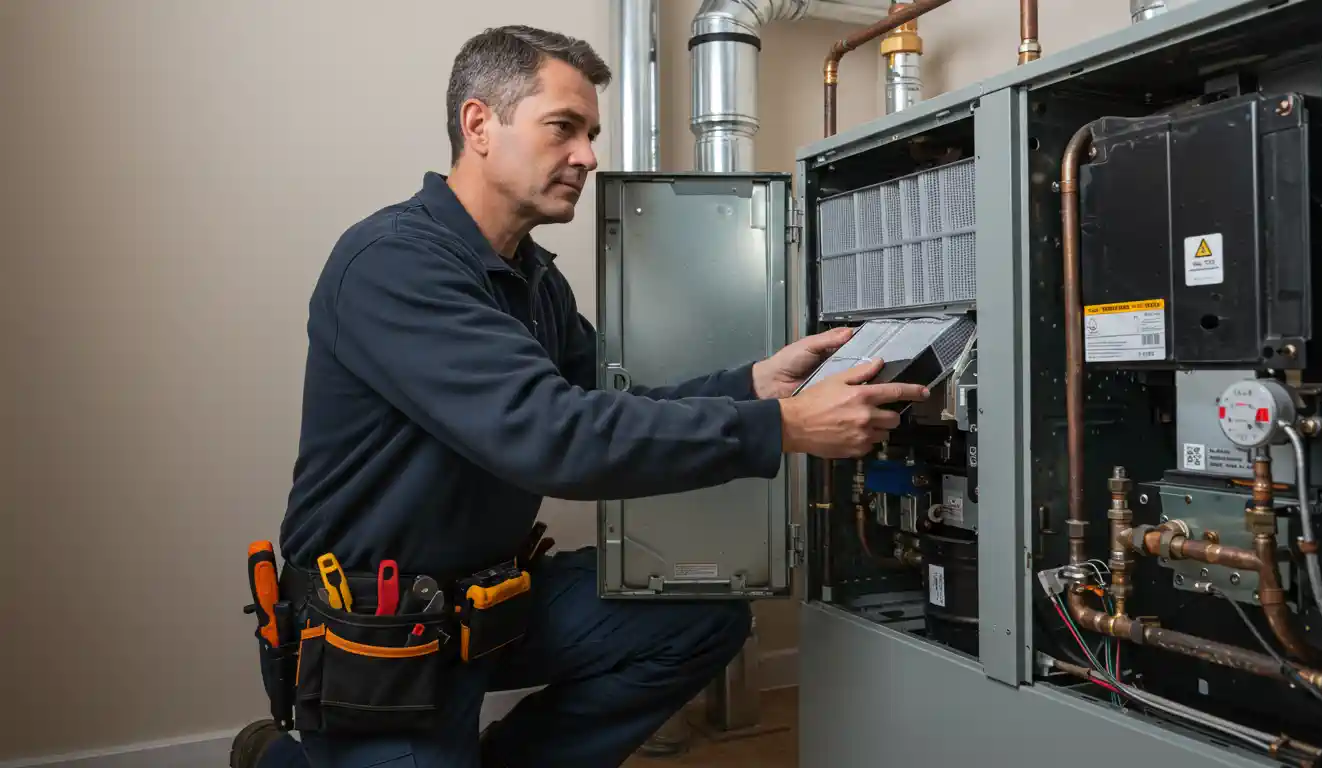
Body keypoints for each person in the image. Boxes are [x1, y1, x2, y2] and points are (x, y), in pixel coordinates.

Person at [234, 24, 928, 768]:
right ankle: (282, 760)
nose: (588, 156)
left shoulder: (534, 281)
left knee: (702, 618)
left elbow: (614, 403)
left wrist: (754, 384)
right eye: (563, 127)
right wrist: (778, 427)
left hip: (486, 606)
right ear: (479, 125)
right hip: (380, 638)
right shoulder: (393, 265)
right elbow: (556, 438)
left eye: (591, 133)